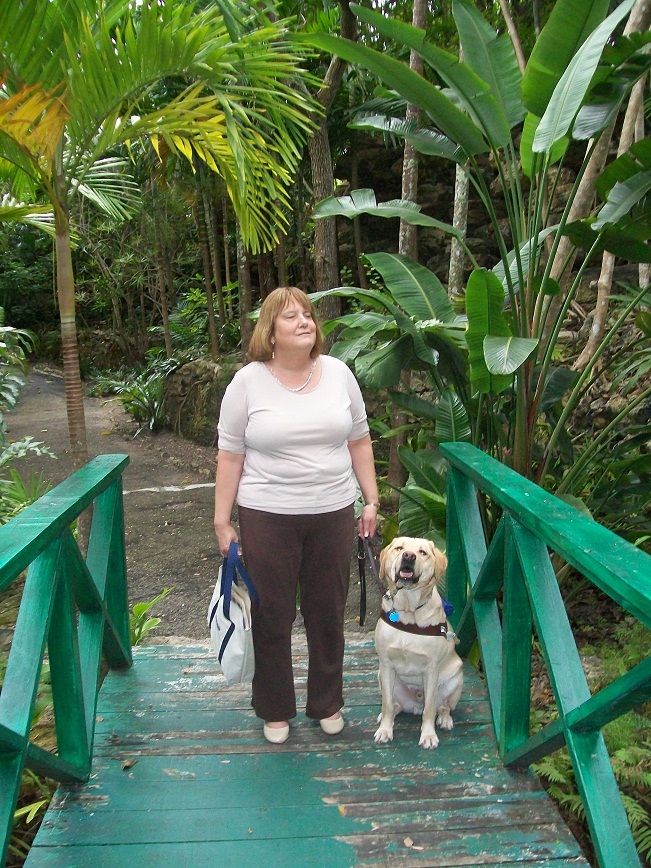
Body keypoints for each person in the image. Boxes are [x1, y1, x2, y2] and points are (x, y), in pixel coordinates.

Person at [214, 286, 379, 744]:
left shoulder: (339, 374)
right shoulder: (247, 382)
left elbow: (360, 441)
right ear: (270, 332)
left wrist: (371, 499)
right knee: (273, 613)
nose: (305, 322)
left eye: (308, 315)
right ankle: (274, 708)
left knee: (328, 611)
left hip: (332, 511)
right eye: (292, 317)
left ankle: (327, 702)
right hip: (267, 512)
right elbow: (230, 455)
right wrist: (222, 521)